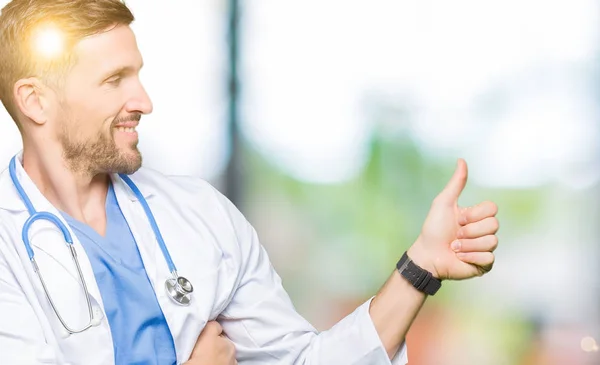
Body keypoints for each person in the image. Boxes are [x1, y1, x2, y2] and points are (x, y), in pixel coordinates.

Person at [0, 1, 500, 364]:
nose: (144, 100)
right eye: (115, 80)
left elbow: (304, 362)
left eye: (138, 75)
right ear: (35, 101)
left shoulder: (198, 215)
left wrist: (419, 268)